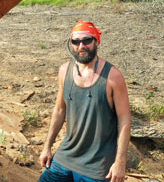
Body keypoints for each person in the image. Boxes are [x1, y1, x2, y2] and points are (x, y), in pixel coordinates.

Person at [39, 21, 131, 182]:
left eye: (87, 40)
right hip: (66, 155)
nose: (81, 46)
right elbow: (60, 110)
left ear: (96, 41)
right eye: (76, 41)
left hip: (97, 166)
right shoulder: (64, 71)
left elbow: (124, 120)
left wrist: (120, 162)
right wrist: (47, 147)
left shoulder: (113, 77)